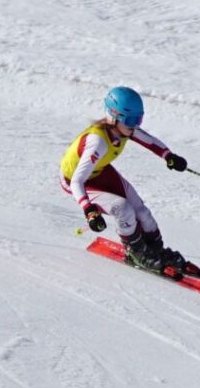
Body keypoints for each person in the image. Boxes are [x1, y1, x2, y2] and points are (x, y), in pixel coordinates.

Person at [60, 86, 188, 273]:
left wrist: (169, 156)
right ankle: (135, 253)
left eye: (139, 119)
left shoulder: (126, 129)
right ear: (113, 117)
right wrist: (89, 211)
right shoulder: (98, 143)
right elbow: (76, 182)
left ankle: (155, 250)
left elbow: (150, 141)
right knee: (123, 208)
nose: (135, 125)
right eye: (130, 120)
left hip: (100, 171)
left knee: (141, 211)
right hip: (77, 180)